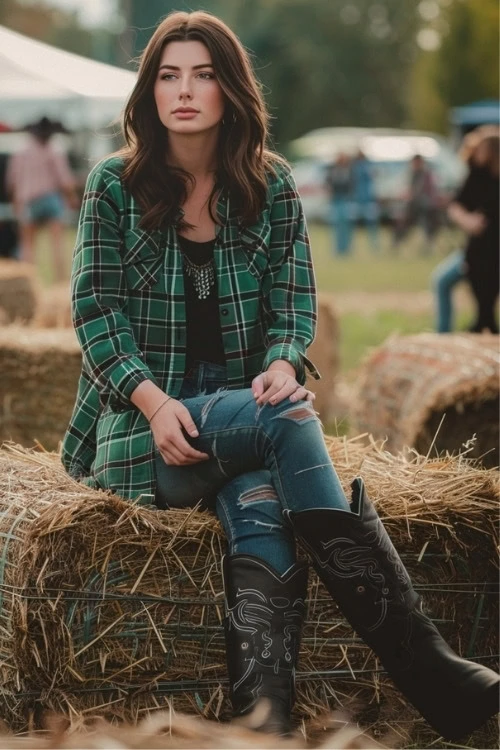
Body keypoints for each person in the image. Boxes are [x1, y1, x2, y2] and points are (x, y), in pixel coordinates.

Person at [61, 10, 499, 739]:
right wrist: (155, 402)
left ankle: (261, 726)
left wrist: (278, 361)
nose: (185, 90)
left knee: (264, 510)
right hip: (143, 430)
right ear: (150, 91)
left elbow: (294, 305)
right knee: (289, 421)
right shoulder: (114, 184)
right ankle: (424, 665)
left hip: (244, 423)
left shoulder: (271, 184)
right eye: (169, 75)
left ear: (230, 89)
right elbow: (94, 314)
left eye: (203, 74)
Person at [5, 116, 79, 280]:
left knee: (28, 244)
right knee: (57, 243)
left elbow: (12, 181)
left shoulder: (21, 152)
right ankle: (60, 280)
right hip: (51, 198)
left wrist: (16, 201)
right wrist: (72, 197)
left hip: (29, 199)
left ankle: (29, 280)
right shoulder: (54, 150)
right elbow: (64, 179)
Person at [447, 132, 499, 333]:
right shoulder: (477, 174)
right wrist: (468, 221)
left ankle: (484, 323)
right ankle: (484, 323)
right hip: (479, 246)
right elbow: (456, 205)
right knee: (452, 281)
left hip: (492, 246)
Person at [393, 154, 439, 254]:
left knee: (424, 224)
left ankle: (427, 246)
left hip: (424, 207)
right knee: (402, 220)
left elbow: (419, 191)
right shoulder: (414, 173)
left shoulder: (425, 174)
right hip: (415, 206)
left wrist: (409, 195)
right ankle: (397, 243)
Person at [324, 152, 354, 256]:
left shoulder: (349, 170)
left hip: (345, 199)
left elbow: (351, 184)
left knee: (346, 226)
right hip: (336, 199)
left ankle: (346, 249)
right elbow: (328, 182)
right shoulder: (333, 169)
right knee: (337, 226)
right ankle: (338, 249)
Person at [351, 148, 379, 251]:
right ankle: (353, 248)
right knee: (356, 225)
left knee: (371, 224)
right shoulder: (357, 166)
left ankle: (374, 247)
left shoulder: (364, 166)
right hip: (360, 199)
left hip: (366, 199)